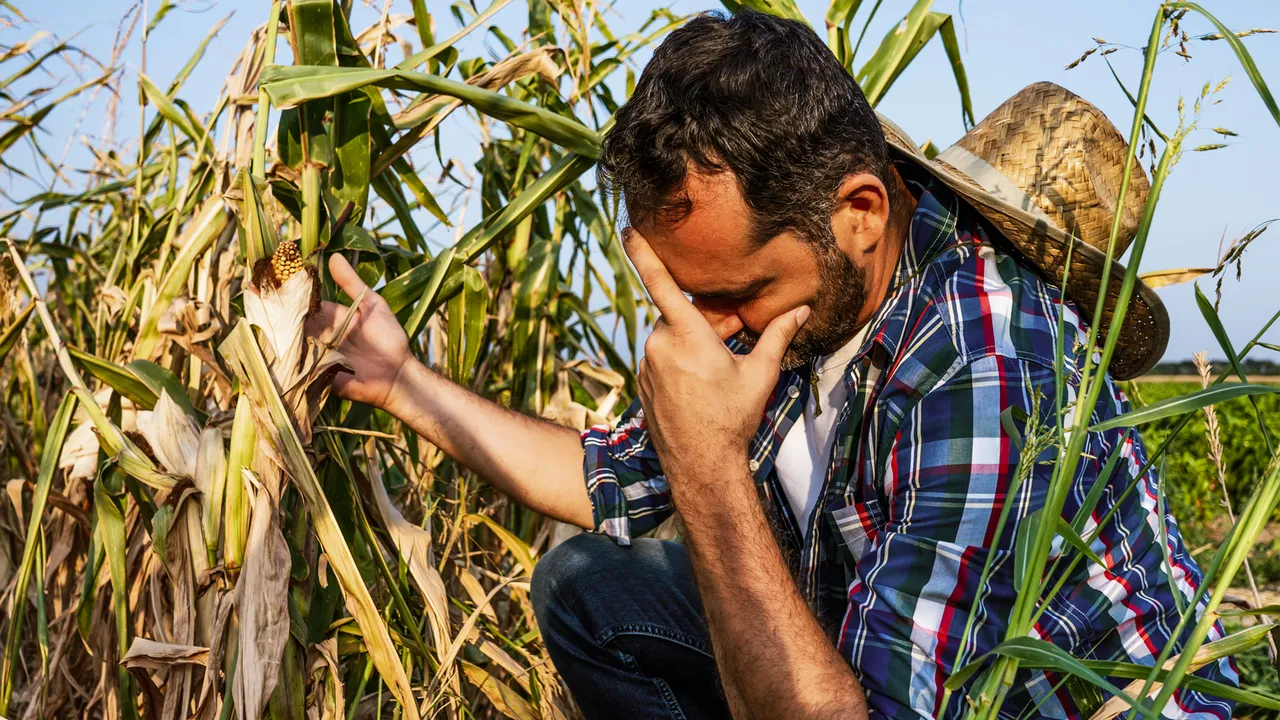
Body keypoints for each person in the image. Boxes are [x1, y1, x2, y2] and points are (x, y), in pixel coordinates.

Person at [309, 10, 1238, 719]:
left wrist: (710, 465)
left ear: (861, 213)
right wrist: (402, 381)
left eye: (733, 293)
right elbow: (607, 477)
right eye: (686, 295)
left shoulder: (988, 365)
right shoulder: (807, 305)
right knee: (589, 584)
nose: (706, 329)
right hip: (872, 668)